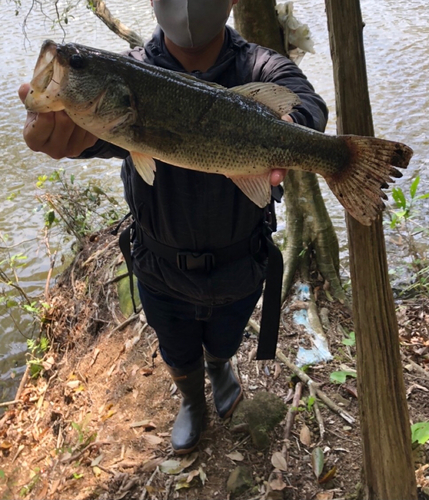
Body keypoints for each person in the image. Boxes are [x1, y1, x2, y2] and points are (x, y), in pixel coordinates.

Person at [19, 0, 328, 454]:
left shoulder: (261, 64)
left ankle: (221, 369)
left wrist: (284, 132)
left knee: (225, 337)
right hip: (158, 267)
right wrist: (66, 137)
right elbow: (97, 138)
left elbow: (309, 106)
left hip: (242, 264)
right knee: (176, 347)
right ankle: (191, 400)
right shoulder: (128, 76)